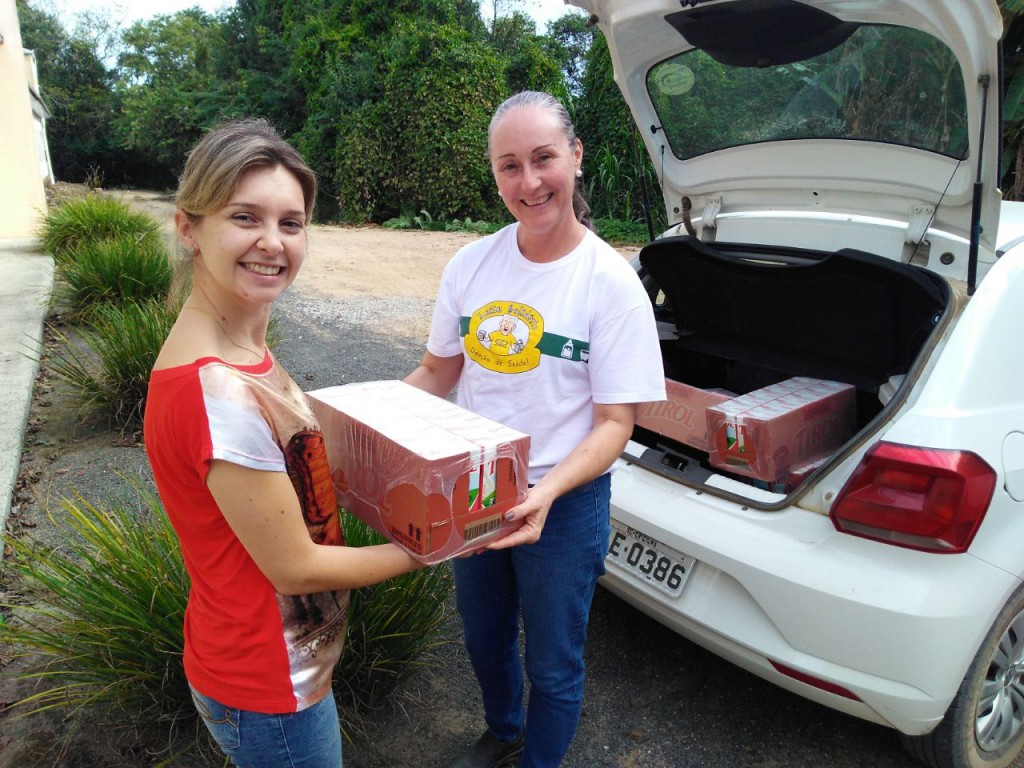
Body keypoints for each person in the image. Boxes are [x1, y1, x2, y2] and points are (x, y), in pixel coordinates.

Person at [143, 118, 423, 768]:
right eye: (245, 217)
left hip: (270, 658)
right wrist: (433, 545)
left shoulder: (240, 350)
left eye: (291, 223)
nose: (272, 242)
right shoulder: (216, 389)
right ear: (189, 228)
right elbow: (296, 568)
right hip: (266, 682)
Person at [404, 91, 666, 768]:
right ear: (495, 175)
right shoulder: (470, 265)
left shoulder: (610, 285)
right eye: (509, 166)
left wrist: (545, 493)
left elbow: (616, 423)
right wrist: (369, 419)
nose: (529, 182)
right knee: (483, 637)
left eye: (544, 158)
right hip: (476, 489)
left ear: (575, 157)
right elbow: (437, 371)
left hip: (564, 500)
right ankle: (504, 732)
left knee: (553, 661)